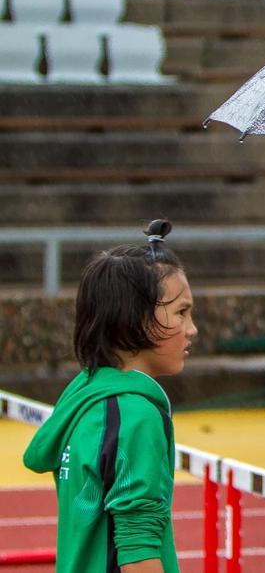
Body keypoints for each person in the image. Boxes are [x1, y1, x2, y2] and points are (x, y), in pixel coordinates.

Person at [23, 219, 196, 573]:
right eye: (181, 312)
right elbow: (138, 551)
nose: (192, 329)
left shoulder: (84, 399)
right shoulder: (135, 415)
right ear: (136, 319)